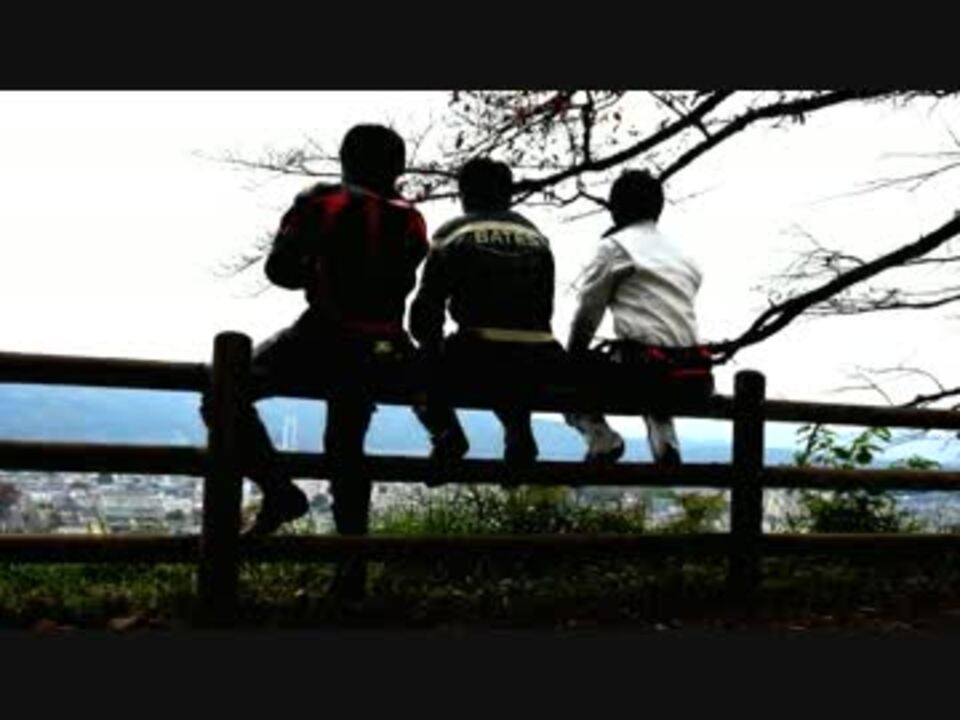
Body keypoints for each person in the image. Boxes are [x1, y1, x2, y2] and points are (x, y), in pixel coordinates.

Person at [199, 124, 428, 561]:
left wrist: (317, 267)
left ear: (345, 160)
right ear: (398, 167)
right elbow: (406, 275)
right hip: (383, 346)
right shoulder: (412, 219)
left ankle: (279, 490)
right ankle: (351, 568)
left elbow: (279, 270)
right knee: (346, 448)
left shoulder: (322, 203)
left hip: (323, 334)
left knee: (222, 393)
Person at [410, 158, 563, 468]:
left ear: (464, 194)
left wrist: (429, 351)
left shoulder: (453, 233)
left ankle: (447, 433)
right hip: (542, 357)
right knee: (513, 352)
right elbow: (545, 307)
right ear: (508, 195)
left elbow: (428, 310)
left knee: (417, 369)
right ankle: (518, 431)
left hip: (479, 353)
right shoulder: (536, 237)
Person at [565, 169, 706, 465]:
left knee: (564, 377)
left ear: (616, 208)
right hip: (693, 374)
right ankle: (664, 435)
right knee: (654, 356)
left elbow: (588, 313)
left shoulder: (615, 247)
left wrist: (572, 359)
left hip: (643, 372)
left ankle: (601, 437)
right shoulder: (685, 257)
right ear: (658, 208)